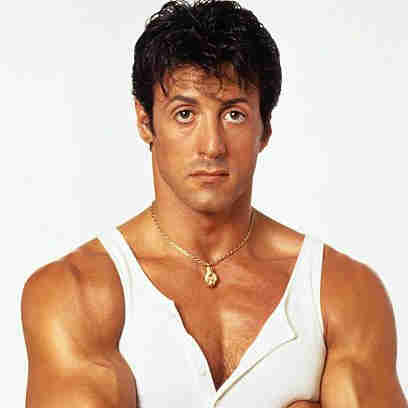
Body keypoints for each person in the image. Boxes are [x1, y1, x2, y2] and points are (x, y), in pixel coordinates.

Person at [21, 0, 407, 407]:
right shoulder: (76, 292)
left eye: (233, 115)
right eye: (185, 114)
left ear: (265, 129)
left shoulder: (341, 293)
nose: (211, 146)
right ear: (145, 121)